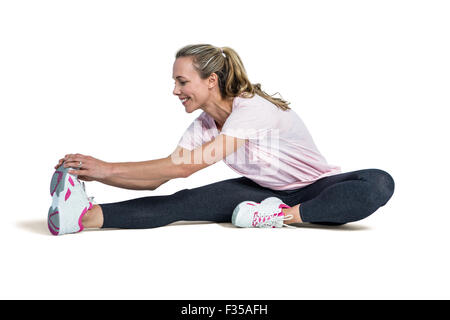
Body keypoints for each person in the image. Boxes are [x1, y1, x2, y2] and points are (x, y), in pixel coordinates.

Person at [48, 44, 395, 236]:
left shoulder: (252, 110)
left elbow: (186, 167)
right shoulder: (204, 124)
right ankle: (81, 217)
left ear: (211, 80)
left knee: (378, 182)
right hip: (260, 194)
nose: (175, 90)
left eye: (183, 82)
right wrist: (98, 173)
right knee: (180, 203)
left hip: (315, 188)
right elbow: (161, 177)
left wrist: (106, 167)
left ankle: (281, 217)